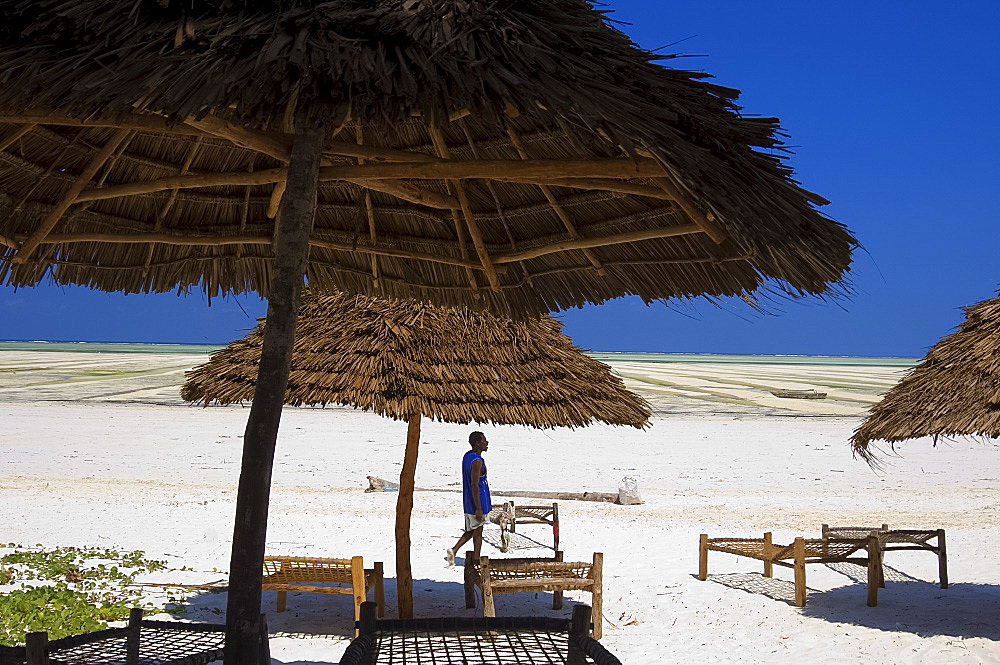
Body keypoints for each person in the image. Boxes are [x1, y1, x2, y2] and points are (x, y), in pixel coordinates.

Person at [446, 431, 492, 566]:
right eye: (484, 440)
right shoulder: (477, 461)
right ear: (477, 443)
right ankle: (477, 559)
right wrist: (478, 507)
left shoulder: (467, 456)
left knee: (472, 529)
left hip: (468, 501)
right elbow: (474, 485)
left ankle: (454, 550)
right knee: (478, 532)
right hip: (478, 502)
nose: (487, 442)